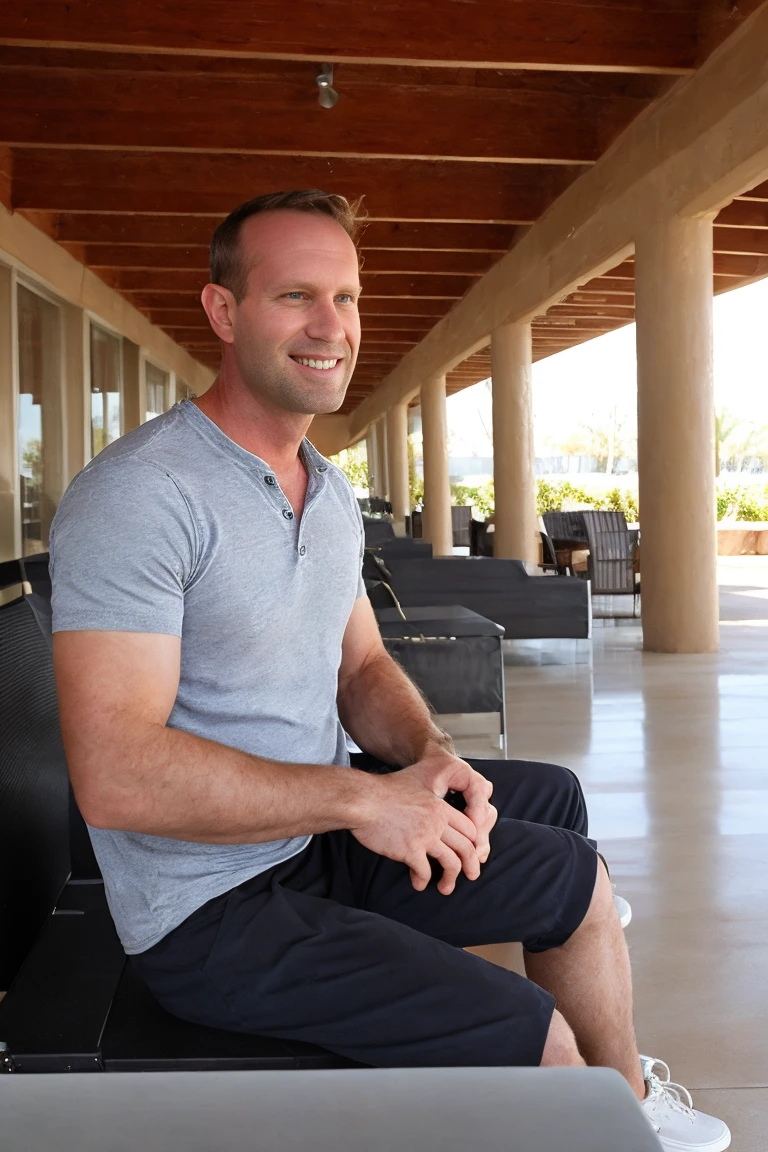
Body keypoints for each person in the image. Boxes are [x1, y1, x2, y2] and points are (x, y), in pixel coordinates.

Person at [50, 190, 728, 1151]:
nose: (332, 327)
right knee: (532, 1035)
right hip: (204, 914)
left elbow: (360, 664)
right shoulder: (141, 498)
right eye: (294, 296)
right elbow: (115, 774)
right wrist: (367, 802)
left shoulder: (322, 490)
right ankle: (586, 1108)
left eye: (348, 297)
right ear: (223, 311)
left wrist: (430, 753)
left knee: (575, 880)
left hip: (312, 842)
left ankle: (626, 1109)